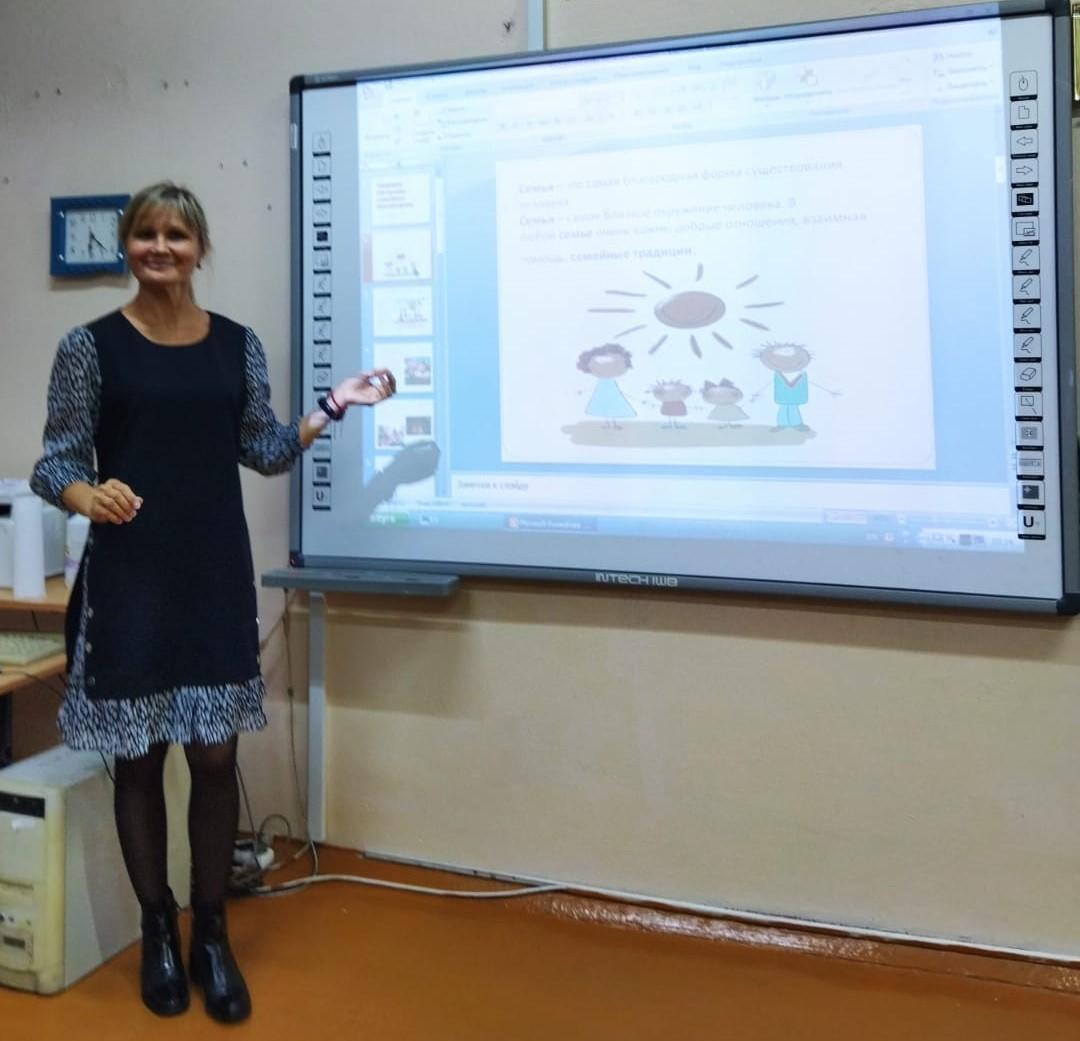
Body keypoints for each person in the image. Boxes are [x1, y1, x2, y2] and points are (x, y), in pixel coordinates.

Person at [29, 182, 396, 1023]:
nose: (160, 247)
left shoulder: (236, 344)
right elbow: (56, 462)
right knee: (138, 761)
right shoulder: (89, 347)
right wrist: (86, 496)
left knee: (216, 758)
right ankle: (157, 929)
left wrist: (332, 406)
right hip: (129, 578)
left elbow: (263, 448)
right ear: (127, 245)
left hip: (212, 577)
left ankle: (212, 934)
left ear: (199, 248)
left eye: (177, 234)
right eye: (145, 234)